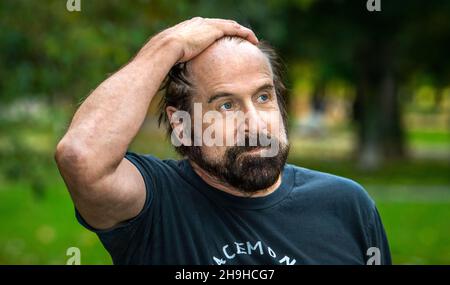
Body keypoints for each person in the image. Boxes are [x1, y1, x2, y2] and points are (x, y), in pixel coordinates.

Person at [55, 17, 391, 265]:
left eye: (263, 97)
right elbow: (81, 156)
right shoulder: (156, 207)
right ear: (182, 126)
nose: (254, 123)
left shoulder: (347, 206)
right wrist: (168, 44)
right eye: (226, 105)